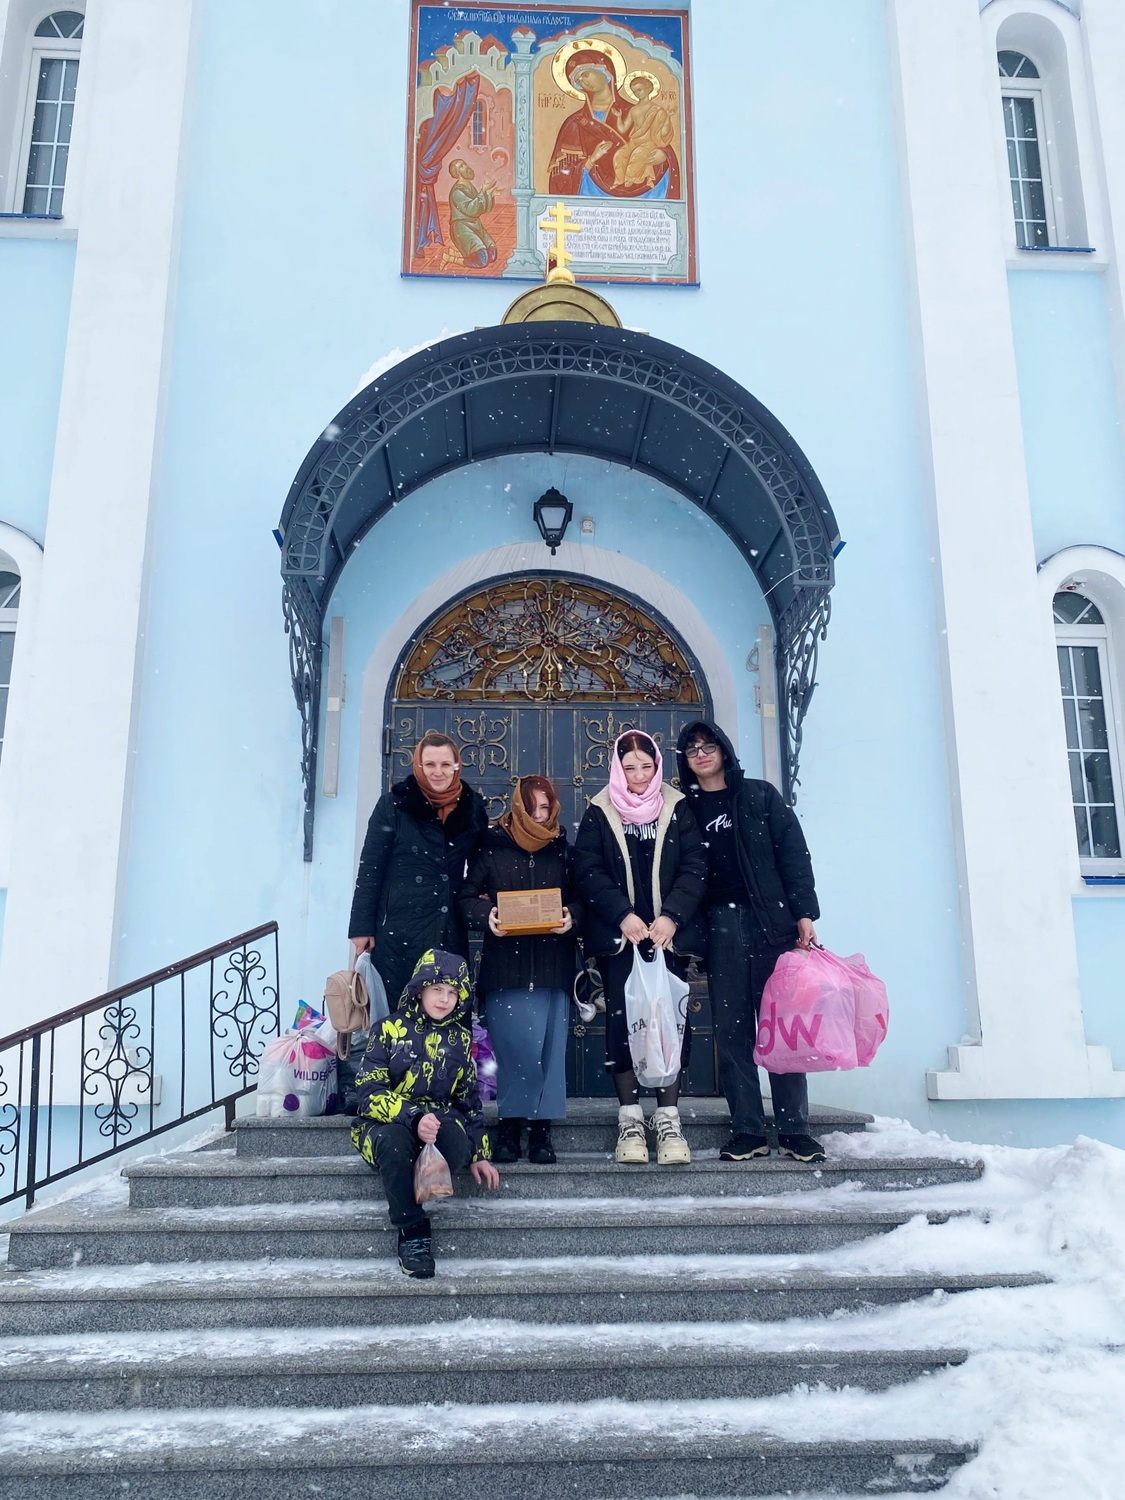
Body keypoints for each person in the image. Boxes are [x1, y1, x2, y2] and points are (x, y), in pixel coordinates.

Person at [675, 721, 826, 1164]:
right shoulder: (684, 810)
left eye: (708, 745)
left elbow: (793, 855)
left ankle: (795, 1130)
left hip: (771, 926)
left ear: (723, 749)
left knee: (782, 1028)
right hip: (719, 929)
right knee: (732, 1031)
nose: (701, 754)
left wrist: (804, 913)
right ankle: (747, 1130)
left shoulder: (759, 796)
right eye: (692, 750)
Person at [573, 730, 707, 1165]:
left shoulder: (677, 806)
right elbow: (587, 869)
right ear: (617, 767)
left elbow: (694, 866)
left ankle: (668, 1118)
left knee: (669, 1023)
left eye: (646, 767)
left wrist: (672, 915)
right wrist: (621, 914)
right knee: (624, 1024)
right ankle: (630, 1118)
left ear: (657, 766)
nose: (638, 776)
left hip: (667, 936)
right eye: (629, 767)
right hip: (622, 940)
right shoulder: (600, 810)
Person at [352, 949, 499, 1278]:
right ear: (420, 990)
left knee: (457, 1143)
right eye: (437, 989)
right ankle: (413, 1230)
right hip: (385, 1123)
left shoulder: (461, 1039)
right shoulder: (387, 1030)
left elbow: (469, 1100)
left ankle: (411, 1168)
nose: (445, 999)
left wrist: (480, 1154)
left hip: (437, 1122)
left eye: (453, 993)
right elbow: (368, 1091)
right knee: (394, 1143)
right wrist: (414, 1117)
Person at [460, 776, 581, 1166]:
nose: (539, 815)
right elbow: (465, 898)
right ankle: (510, 1127)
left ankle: (542, 1130)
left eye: (545, 807)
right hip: (505, 970)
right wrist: (487, 915)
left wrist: (572, 918)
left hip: (552, 968)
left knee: (548, 1053)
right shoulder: (491, 849)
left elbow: (585, 899)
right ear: (517, 808)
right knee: (514, 1052)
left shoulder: (564, 852)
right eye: (531, 808)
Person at [349, 731, 488, 1010]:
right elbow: (370, 870)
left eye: (445, 764)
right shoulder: (394, 805)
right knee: (400, 1016)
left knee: (445, 1013)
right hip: (398, 931)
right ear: (419, 766)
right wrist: (361, 928)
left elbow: (481, 864)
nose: (438, 772)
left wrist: (481, 895)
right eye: (430, 764)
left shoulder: (472, 809)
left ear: (457, 766)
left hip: (448, 929)